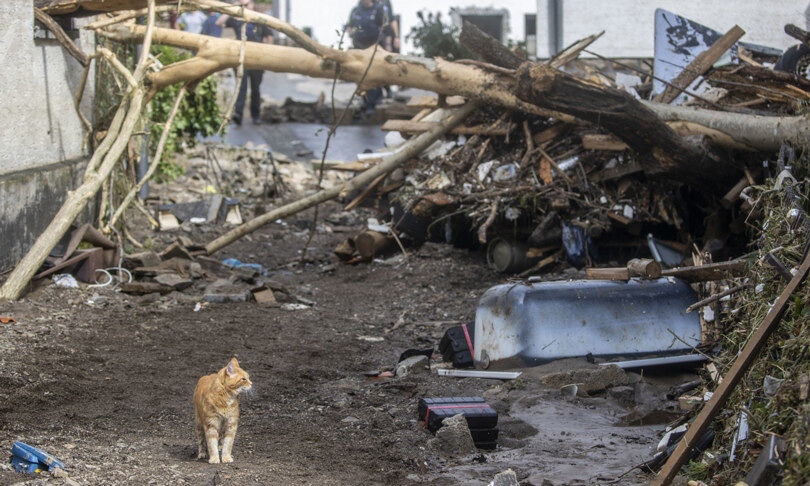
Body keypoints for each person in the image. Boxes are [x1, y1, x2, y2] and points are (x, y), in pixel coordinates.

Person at [216, 0, 274, 126]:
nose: (245, 7)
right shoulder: (238, 19)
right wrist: (233, 8)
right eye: (243, 5)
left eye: (247, 5)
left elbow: (269, 36)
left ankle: (256, 115)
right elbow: (219, 22)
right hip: (241, 59)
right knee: (241, 88)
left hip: (257, 60)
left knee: (255, 89)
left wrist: (268, 53)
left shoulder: (259, 19)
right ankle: (238, 115)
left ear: (253, 4)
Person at [347, 0, 390, 114]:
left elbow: (385, 27)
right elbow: (349, 26)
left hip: (375, 46)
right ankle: (365, 102)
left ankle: (374, 102)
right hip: (359, 46)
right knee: (362, 75)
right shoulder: (356, 10)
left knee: (373, 74)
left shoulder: (379, 9)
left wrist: (387, 45)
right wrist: (350, 31)